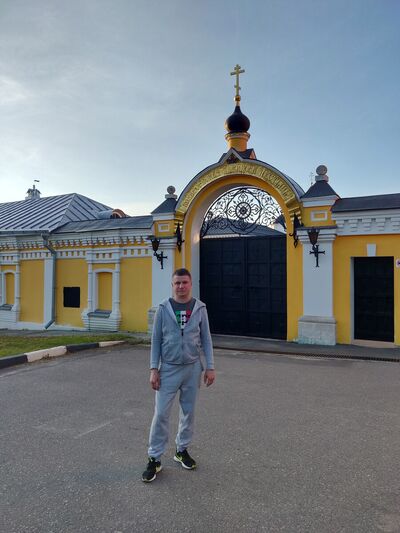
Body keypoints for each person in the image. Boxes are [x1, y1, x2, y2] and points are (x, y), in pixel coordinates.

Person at [142, 268, 215, 483]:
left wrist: (210, 367)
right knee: (161, 414)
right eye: (177, 283)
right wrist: (153, 369)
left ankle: (181, 450)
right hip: (168, 368)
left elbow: (206, 339)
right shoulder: (163, 308)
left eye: (184, 282)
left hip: (192, 368)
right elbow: (156, 340)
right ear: (172, 285)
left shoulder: (200, 308)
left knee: (188, 412)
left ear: (190, 284)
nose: (181, 286)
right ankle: (154, 458)